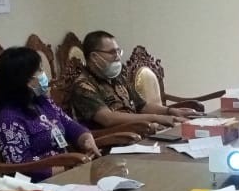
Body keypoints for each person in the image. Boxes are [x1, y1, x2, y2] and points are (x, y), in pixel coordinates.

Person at [0, 46, 99, 178]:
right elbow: (22, 166)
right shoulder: (8, 119)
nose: (44, 74)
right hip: (40, 185)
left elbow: (68, 124)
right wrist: (68, 167)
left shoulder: (42, 102)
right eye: (40, 70)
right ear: (24, 79)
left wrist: (86, 138)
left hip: (69, 171)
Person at [70, 30, 198, 130]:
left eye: (118, 51)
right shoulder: (83, 86)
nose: (117, 57)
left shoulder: (117, 78)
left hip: (142, 132)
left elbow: (142, 106)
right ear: (94, 57)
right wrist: (156, 119)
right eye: (112, 52)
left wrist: (170, 111)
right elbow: (108, 118)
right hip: (115, 140)